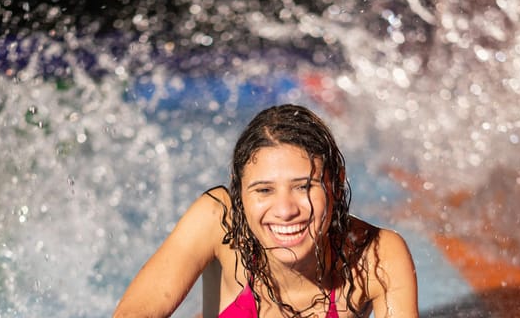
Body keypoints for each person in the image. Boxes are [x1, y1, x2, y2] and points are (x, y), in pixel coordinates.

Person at [113, 104, 418, 317]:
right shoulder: (218, 220)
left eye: (303, 186)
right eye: (264, 190)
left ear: (336, 184)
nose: (285, 211)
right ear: (240, 193)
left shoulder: (375, 255)